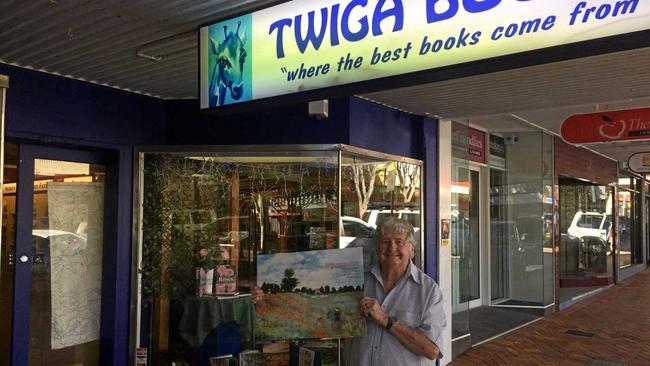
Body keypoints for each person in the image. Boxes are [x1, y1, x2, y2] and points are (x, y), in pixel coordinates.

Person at [345, 217, 446, 365]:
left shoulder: (429, 291)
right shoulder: (359, 281)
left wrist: (386, 319)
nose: (392, 248)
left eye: (399, 242)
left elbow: (431, 350)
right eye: (385, 242)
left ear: (411, 248)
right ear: (377, 247)